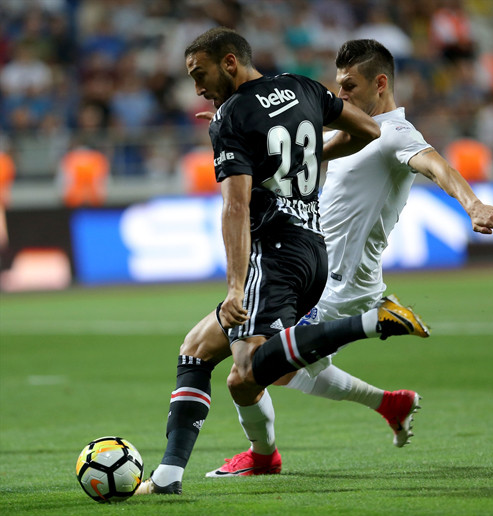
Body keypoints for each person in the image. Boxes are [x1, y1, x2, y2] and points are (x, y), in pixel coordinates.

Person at [204, 39, 493, 478]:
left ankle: (264, 457)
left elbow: (438, 166)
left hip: (340, 280)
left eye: (350, 85)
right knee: (262, 367)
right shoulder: (354, 133)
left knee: (253, 371)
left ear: (381, 83)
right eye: (339, 85)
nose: (342, 94)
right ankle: (388, 404)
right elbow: (297, 151)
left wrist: (473, 204)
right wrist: (238, 125)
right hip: (312, 272)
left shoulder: (396, 133)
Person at [137, 28, 431, 496]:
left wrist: (236, 287)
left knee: (248, 370)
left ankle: (372, 322)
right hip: (312, 248)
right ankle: (184, 473)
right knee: (198, 350)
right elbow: (370, 130)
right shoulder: (303, 87)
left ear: (229, 62)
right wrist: (300, 154)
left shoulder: (231, 117)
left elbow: (235, 207)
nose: (197, 87)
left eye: (200, 73)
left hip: (273, 251)